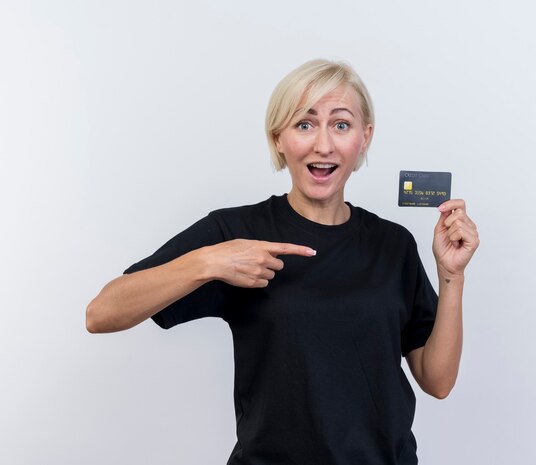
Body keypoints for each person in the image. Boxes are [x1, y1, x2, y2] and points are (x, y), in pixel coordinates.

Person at [86, 59, 479, 465]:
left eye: (341, 125)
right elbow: (102, 313)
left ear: (365, 138)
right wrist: (209, 261)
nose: (323, 145)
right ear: (278, 138)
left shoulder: (392, 244)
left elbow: (438, 380)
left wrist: (452, 275)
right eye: (304, 124)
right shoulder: (235, 231)